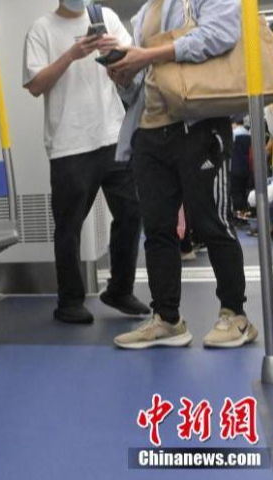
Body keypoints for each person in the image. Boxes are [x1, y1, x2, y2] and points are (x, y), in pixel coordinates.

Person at [109, 0, 256, 349]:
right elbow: (143, 85)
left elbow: (220, 36)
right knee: (158, 228)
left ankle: (235, 314)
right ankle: (167, 319)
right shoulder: (144, 13)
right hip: (149, 131)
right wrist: (123, 76)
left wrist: (147, 55)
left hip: (198, 125)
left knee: (211, 221)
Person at [23, 0, 150, 324]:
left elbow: (132, 69)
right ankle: (69, 301)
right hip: (69, 143)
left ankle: (119, 289)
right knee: (69, 227)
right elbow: (36, 85)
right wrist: (71, 55)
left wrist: (116, 51)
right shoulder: (41, 29)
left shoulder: (104, 17)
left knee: (131, 212)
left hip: (112, 134)